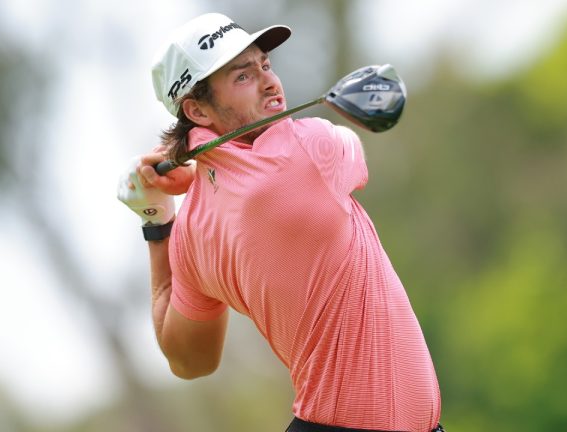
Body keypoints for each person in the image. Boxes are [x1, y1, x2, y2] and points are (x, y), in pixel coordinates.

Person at [117, 12, 443, 432]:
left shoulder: (192, 230)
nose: (271, 82)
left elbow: (189, 360)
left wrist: (157, 218)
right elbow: (354, 149)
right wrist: (198, 174)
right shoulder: (311, 146)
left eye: (265, 65)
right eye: (242, 76)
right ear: (197, 109)